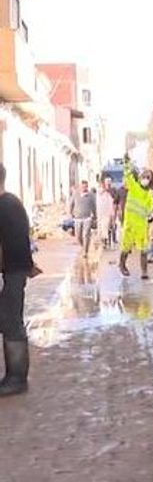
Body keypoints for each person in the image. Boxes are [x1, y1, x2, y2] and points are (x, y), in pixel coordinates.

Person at [0, 163, 38, 396]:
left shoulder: (5, 205)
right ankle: (13, 377)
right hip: (15, 270)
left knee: (11, 322)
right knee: (8, 321)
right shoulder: (12, 202)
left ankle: (16, 378)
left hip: (11, 272)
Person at [118, 156, 153, 279]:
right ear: (139, 178)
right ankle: (122, 264)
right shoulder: (133, 187)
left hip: (141, 226)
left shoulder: (150, 194)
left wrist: (150, 216)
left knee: (144, 250)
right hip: (130, 225)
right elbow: (128, 175)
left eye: (148, 178)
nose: (145, 179)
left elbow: (149, 209)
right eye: (144, 177)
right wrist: (127, 163)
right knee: (125, 247)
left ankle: (144, 272)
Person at [68, 180, 97, 256]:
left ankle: (85, 251)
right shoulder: (75, 194)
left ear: (87, 187)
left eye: (85, 186)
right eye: (82, 186)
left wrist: (95, 216)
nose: (84, 188)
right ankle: (83, 246)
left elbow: (94, 206)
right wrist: (70, 214)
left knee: (86, 234)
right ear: (80, 187)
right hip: (77, 218)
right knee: (78, 236)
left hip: (87, 218)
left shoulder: (91, 195)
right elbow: (71, 204)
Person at [96, 177, 117, 251]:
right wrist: (106, 189)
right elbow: (100, 193)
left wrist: (114, 211)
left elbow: (115, 200)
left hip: (110, 212)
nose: (108, 184)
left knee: (111, 227)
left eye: (109, 182)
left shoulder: (113, 191)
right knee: (103, 229)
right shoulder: (100, 190)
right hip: (102, 213)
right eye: (106, 182)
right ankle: (105, 242)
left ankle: (112, 242)